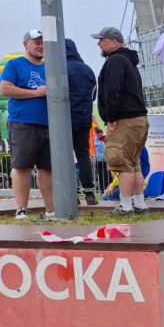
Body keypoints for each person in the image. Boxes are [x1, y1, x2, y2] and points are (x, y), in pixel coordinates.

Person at [93, 26, 150, 216]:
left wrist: (110, 118)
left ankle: (125, 206)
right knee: (134, 163)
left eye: (101, 40)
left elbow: (112, 91)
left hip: (124, 119)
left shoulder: (115, 60)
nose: (98, 43)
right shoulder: (129, 61)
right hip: (138, 119)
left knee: (122, 163)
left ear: (113, 42)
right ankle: (139, 204)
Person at [0, 29, 53, 220]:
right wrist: (35, 93)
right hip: (22, 124)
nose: (40, 46)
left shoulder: (50, 66)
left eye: (43, 43)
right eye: (36, 42)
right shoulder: (15, 64)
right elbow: (5, 89)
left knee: (47, 168)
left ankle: (51, 209)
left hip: (48, 125)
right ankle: (21, 209)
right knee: (22, 167)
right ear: (25, 45)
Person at [64, 39, 98, 205]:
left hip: (64, 119)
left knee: (65, 157)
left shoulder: (59, 69)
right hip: (84, 119)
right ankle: (90, 193)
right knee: (83, 155)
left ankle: (71, 194)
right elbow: (93, 95)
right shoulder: (87, 70)